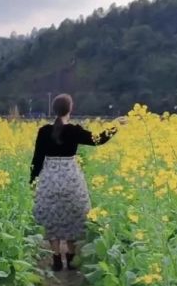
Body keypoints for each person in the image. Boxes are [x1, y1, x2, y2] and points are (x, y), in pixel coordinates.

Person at [30, 94, 124, 271]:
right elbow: (99, 139)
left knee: (52, 217)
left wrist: (33, 181)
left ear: (54, 109)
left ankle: (56, 258)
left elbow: (37, 159)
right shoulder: (74, 131)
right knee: (72, 216)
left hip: (50, 177)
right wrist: (116, 125)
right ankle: (71, 258)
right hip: (71, 177)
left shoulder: (43, 131)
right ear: (70, 109)